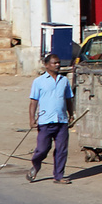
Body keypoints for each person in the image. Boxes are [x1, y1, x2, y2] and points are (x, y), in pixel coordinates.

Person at [26, 55, 75, 184]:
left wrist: (71, 114)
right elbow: (33, 102)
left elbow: (68, 99)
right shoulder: (39, 81)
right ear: (46, 65)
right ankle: (36, 165)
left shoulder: (64, 80)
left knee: (61, 150)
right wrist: (32, 119)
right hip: (45, 121)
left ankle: (58, 176)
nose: (57, 65)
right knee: (42, 149)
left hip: (61, 121)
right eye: (54, 63)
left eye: (58, 63)